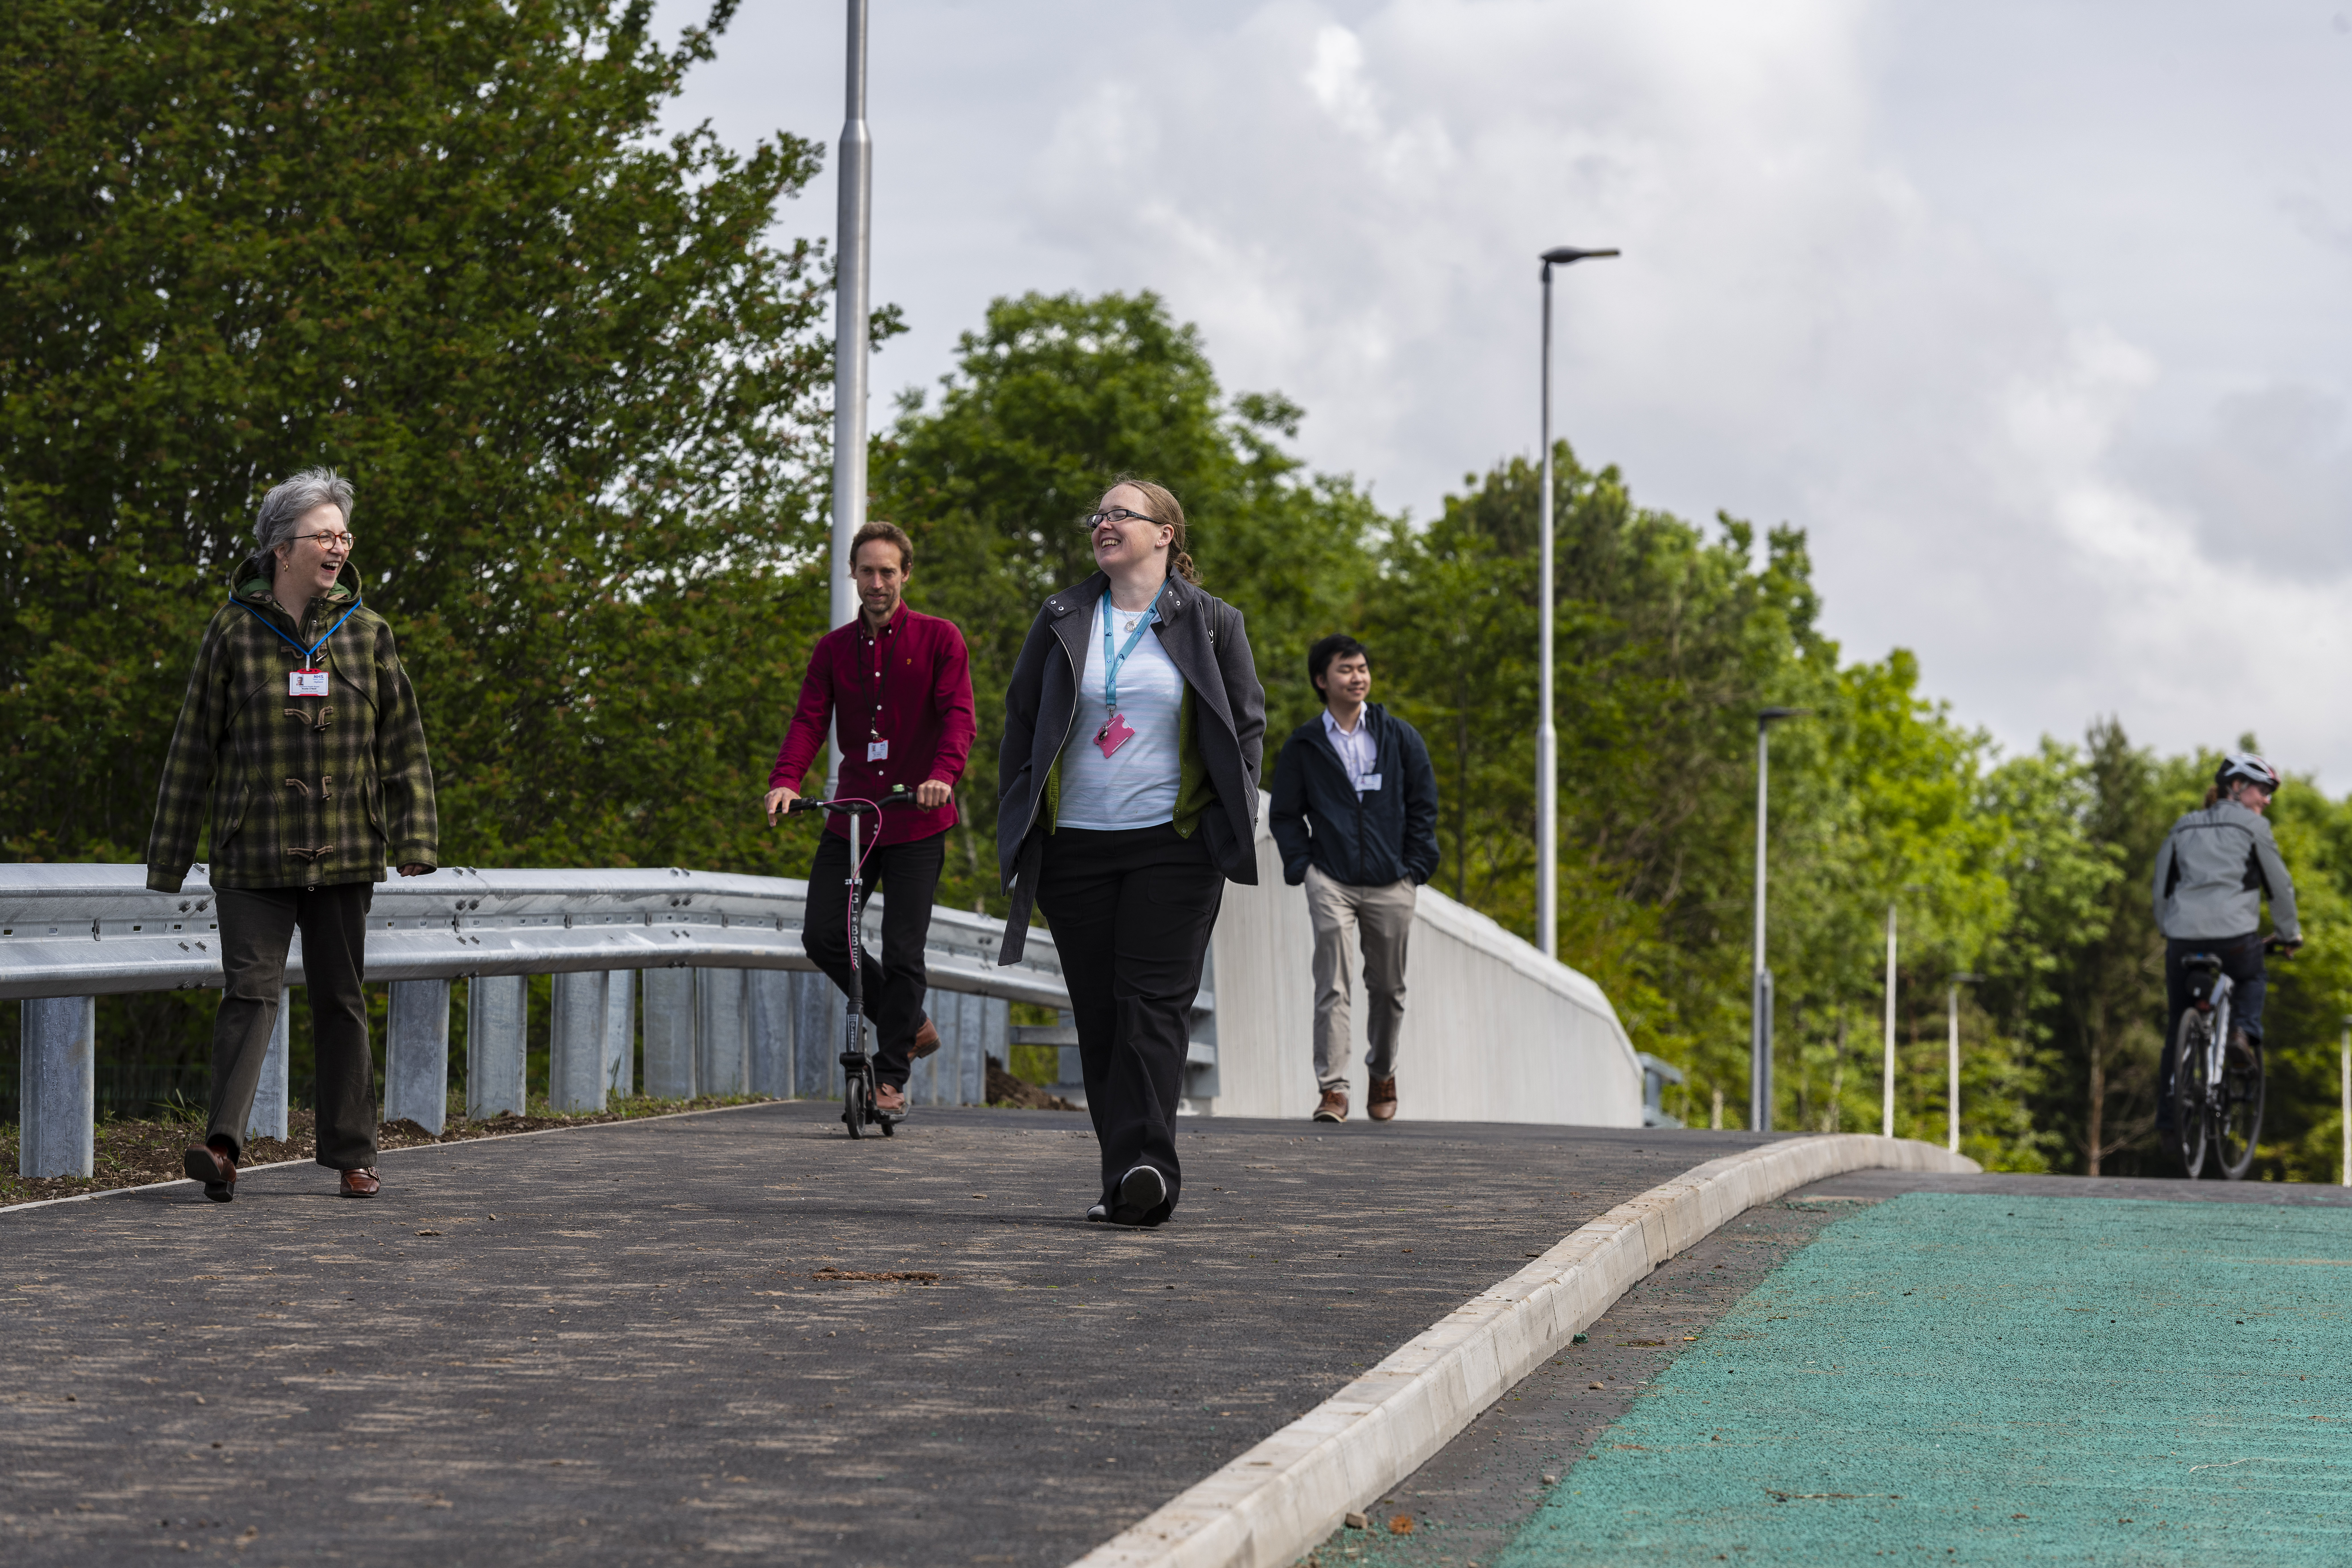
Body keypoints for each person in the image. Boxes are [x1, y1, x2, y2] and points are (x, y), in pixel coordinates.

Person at [145, 468, 439, 1202]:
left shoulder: (368, 632)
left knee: (341, 999)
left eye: (344, 535)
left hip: (346, 848)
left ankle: (353, 1154)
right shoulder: (233, 631)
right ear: (283, 547)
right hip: (252, 851)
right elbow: (192, 748)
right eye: (323, 535)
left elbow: (404, 744)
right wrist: (169, 857)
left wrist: (415, 841)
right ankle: (222, 1146)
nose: (338, 547)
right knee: (249, 993)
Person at [996, 477, 1265, 1226]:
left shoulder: (1212, 622)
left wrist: (1225, 818)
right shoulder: (1062, 618)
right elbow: (1021, 726)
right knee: (1103, 1017)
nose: (1105, 524)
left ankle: (1150, 1167)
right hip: (1076, 851)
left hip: (1173, 849)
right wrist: (1019, 818)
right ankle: (1125, 1180)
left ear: (1166, 535)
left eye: (1123, 514)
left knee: (1151, 1008)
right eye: (1100, 515)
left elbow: (1247, 728)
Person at [766, 520, 975, 1114]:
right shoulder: (833, 650)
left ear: (905, 574)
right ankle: (909, 1023)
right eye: (867, 571)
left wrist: (943, 776)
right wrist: (786, 781)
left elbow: (959, 716)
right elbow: (809, 721)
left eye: (888, 571)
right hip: (854, 816)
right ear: (853, 575)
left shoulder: (941, 639)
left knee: (904, 950)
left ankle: (891, 1078)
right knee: (824, 934)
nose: (877, 582)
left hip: (916, 818)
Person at [1269, 635, 1440, 1124]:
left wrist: (1417, 866)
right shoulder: (1304, 746)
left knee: (1388, 988)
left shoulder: (1398, 737)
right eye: (1346, 670)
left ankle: (1383, 1072)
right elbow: (1284, 815)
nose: (1358, 677)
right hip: (1332, 880)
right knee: (1334, 984)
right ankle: (1334, 1089)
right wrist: (1303, 867)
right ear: (1322, 681)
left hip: (1392, 881)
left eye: (1363, 668)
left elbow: (1424, 805)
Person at [2151, 751, 2303, 1129]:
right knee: (2253, 977)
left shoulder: (2183, 827)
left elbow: (2161, 888)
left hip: (2182, 940)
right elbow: (2279, 888)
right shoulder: (2255, 830)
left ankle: (2170, 1123)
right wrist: (2288, 935)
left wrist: (2167, 928)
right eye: (2263, 790)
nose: (2267, 800)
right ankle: (2242, 1033)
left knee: (2176, 1026)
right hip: (2235, 939)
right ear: (2236, 787)